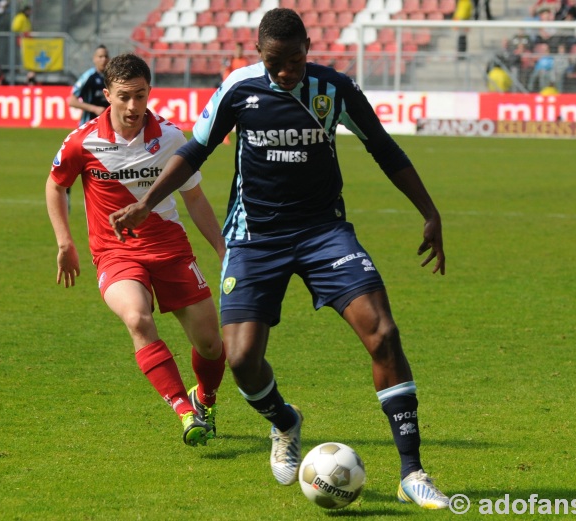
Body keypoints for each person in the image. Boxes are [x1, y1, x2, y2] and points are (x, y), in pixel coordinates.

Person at [110, 8, 449, 510]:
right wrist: (146, 201)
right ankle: (285, 423)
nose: (286, 72)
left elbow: (384, 147)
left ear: (309, 46)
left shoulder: (334, 90)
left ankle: (412, 471)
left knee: (384, 333)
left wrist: (429, 211)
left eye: (294, 60)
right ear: (259, 55)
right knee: (242, 360)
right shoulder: (239, 89)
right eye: (275, 63)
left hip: (324, 233)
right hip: (255, 239)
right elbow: (196, 151)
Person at [45, 53, 227, 447]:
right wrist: (66, 242)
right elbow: (56, 184)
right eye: (124, 96)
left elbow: (195, 198)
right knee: (137, 317)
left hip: (171, 250)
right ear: (107, 94)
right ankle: (183, 410)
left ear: (149, 93)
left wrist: (222, 249)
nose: (132, 106)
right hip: (116, 253)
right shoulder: (83, 140)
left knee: (212, 345)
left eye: (140, 96)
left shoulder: (171, 138)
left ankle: (205, 399)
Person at [66, 44, 111, 211]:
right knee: (74, 166)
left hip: (108, 131)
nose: (103, 59)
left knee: (106, 168)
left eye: (105, 56)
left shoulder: (112, 78)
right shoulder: (89, 77)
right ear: (94, 59)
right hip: (87, 131)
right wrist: (94, 109)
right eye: (100, 56)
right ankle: (65, 196)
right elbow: (71, 100)